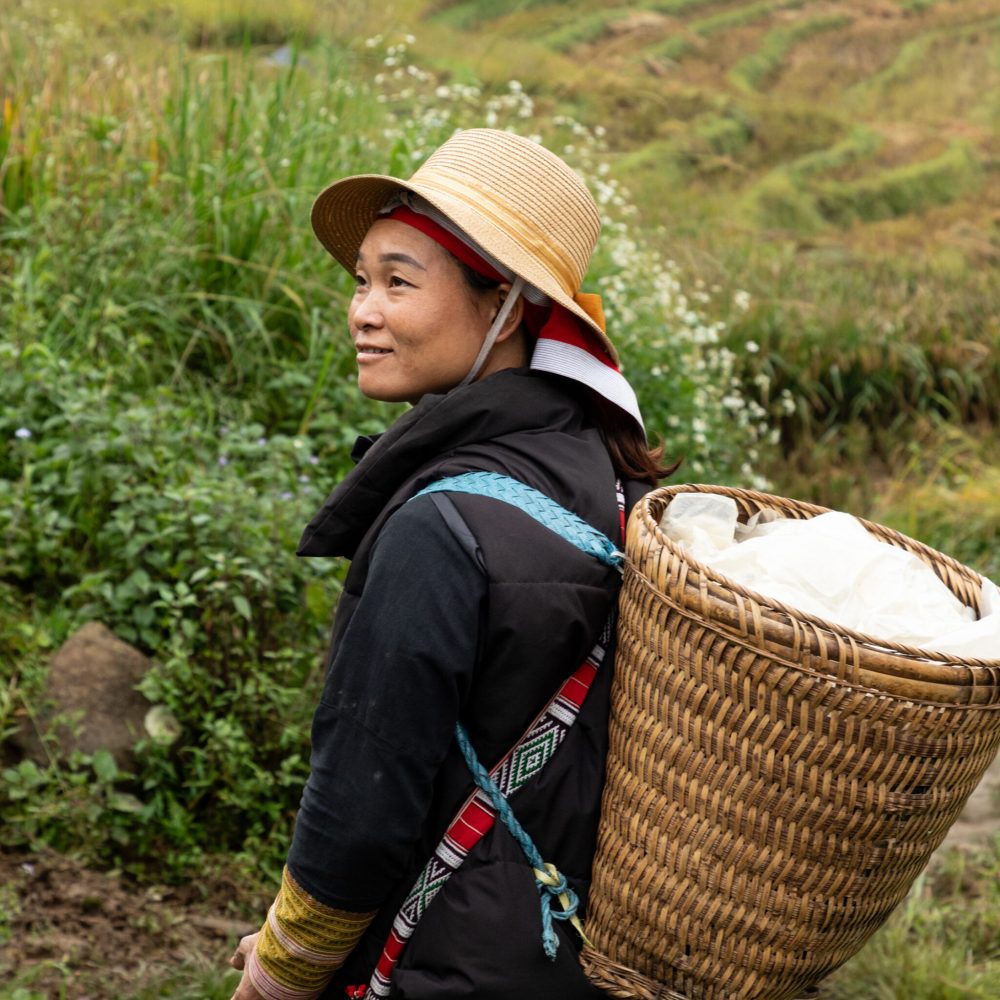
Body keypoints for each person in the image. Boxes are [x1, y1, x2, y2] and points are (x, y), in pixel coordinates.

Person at [228, 128, 671, 1000]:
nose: (362, 309)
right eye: (361, 279)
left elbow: (360, 811)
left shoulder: (442, 527)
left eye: (400, 282)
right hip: (565, 956)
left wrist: (277, 976)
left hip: (439, 960)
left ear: (505, 304)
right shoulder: (607, 480)